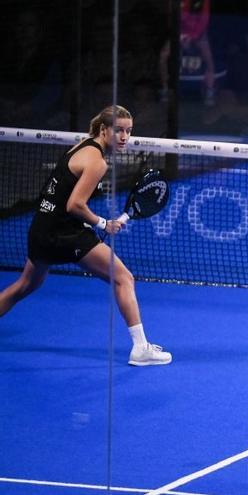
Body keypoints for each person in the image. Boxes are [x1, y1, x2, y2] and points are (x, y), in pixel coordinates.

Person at [0, 105, 172, 367]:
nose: (125, 136)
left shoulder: (83, 146)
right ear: (104, 129)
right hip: (65, 233)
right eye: (119, 130)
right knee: (123, 278)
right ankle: (140, 349)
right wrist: (104, 223)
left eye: (129, 131)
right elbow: (75, 205)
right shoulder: (97, 162)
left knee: (26, 285)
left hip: (41, 228)